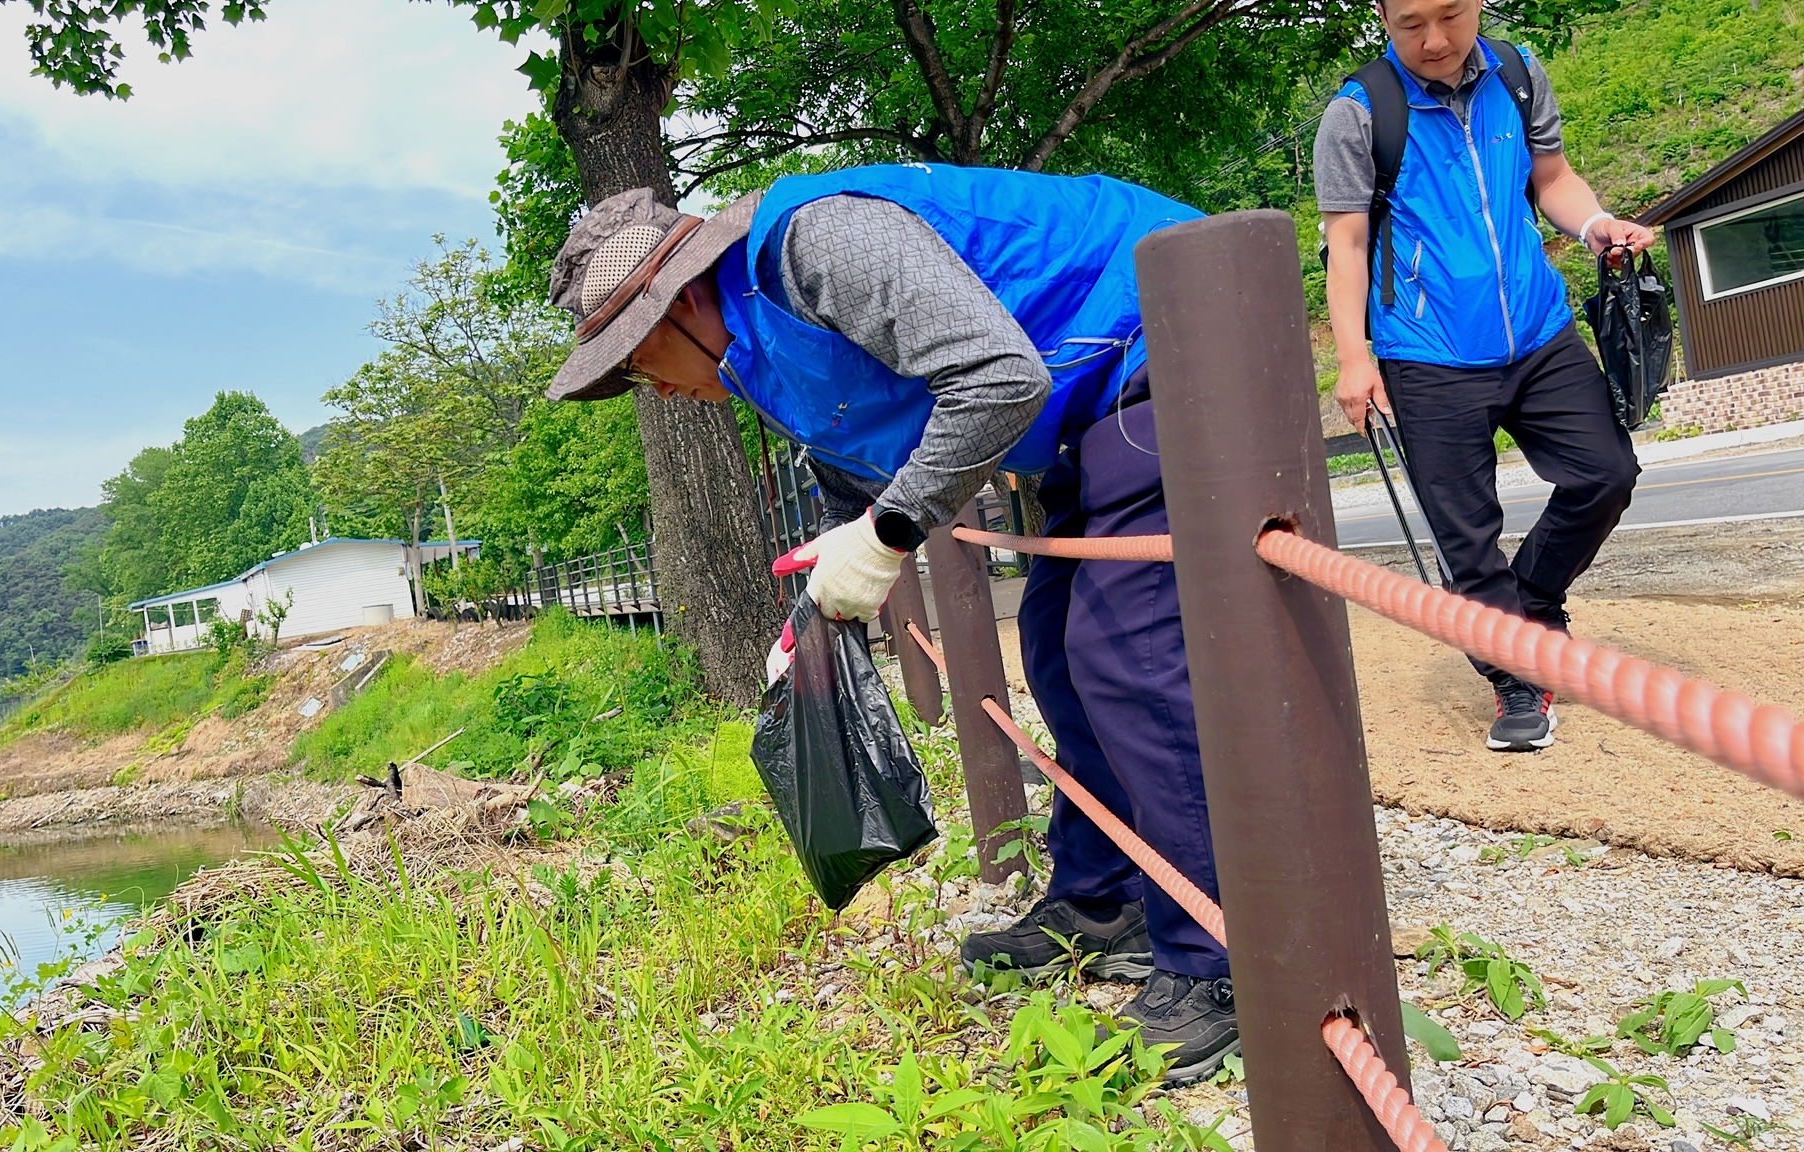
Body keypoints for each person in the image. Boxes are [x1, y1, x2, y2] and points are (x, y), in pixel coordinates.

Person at [543, 164, 1238, 1084]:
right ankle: (1104, 900)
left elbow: (997, 376)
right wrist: (820, 614)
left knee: (1127, 656)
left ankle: (1220, 961)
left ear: (675, 305)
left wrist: (888, 537)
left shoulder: (817, 247)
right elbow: (859, 476)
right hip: (1085, 405)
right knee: (1057, 652)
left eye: (637, 364)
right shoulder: (753, 352)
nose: (653, 391)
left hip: (1163, 331)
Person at [1316, 0, 1654, 752]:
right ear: (1381, 16)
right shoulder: (1359, 112)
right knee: (1465, 537)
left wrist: (1597, 225)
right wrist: (1353, 358)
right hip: (1427, 352)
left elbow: (1554, 178)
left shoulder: (1518, 73)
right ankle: (1515, 681)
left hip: (1538, 332)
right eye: (1410, 24)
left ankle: (1534, 598)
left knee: (1607, 473)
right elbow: (1347, 244)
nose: (1435, 40)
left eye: (1451, 15)